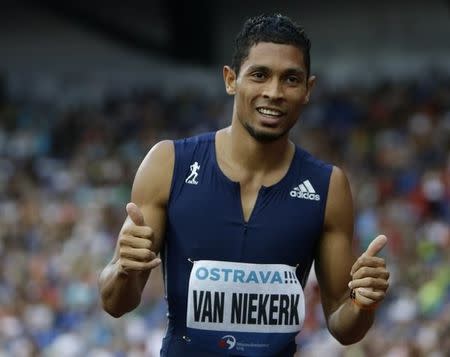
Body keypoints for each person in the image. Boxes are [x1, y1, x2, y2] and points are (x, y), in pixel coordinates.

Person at [98, 14, 390, 356]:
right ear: (230, 79)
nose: (274, 92)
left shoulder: (328, 186)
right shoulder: (168, 164)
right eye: (260, 75)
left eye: (290, 79)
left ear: (308, 90)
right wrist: (123, 269)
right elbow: (116, 303)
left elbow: (343, 325)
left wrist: (362, 302)